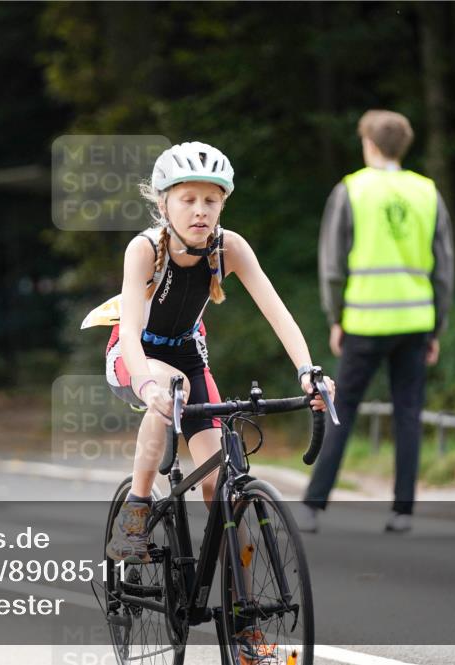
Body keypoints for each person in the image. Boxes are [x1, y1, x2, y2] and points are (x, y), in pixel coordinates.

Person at [83, 141, 335, 665]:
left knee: (221, 485)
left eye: (211, 201)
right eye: (188, 199)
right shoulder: (144, 250)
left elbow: (277, 311)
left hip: (188, 356)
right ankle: (137, 510)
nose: (200, 210)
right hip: (134, 354)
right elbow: (129, 333)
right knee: (169, 386)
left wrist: (308, 372)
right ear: (164, 203)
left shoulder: (229, 248)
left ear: (223, 205)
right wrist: (148, 386)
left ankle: (245, 629)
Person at [299, 110, 455, 533]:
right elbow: (444, 268)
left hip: (364, 321)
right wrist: (437, 326)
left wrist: (336, 317)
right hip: (415, 321)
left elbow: (333, 265)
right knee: (408, 413)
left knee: (342, 409)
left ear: (368, 144)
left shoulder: (351, 190)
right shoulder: (427, 192)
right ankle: (402, 512)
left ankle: (313, 506)